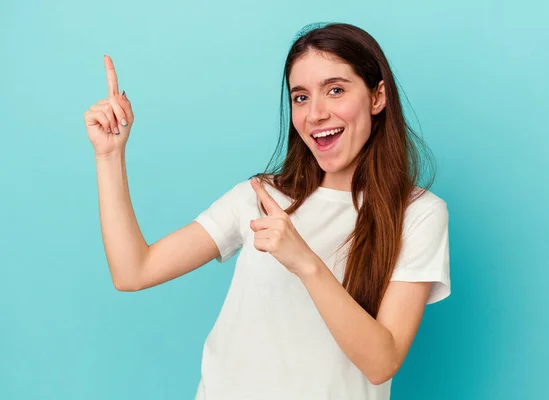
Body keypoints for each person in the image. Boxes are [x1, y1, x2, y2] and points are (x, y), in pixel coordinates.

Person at [84, 22, 451, 400]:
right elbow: (134, 271)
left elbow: (381, 363)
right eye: (301, 97)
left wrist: (304, 262)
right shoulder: (260, 195)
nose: (315, 113)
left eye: (336, 90)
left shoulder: (419, 214)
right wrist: (109, 155)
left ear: (378, 97)